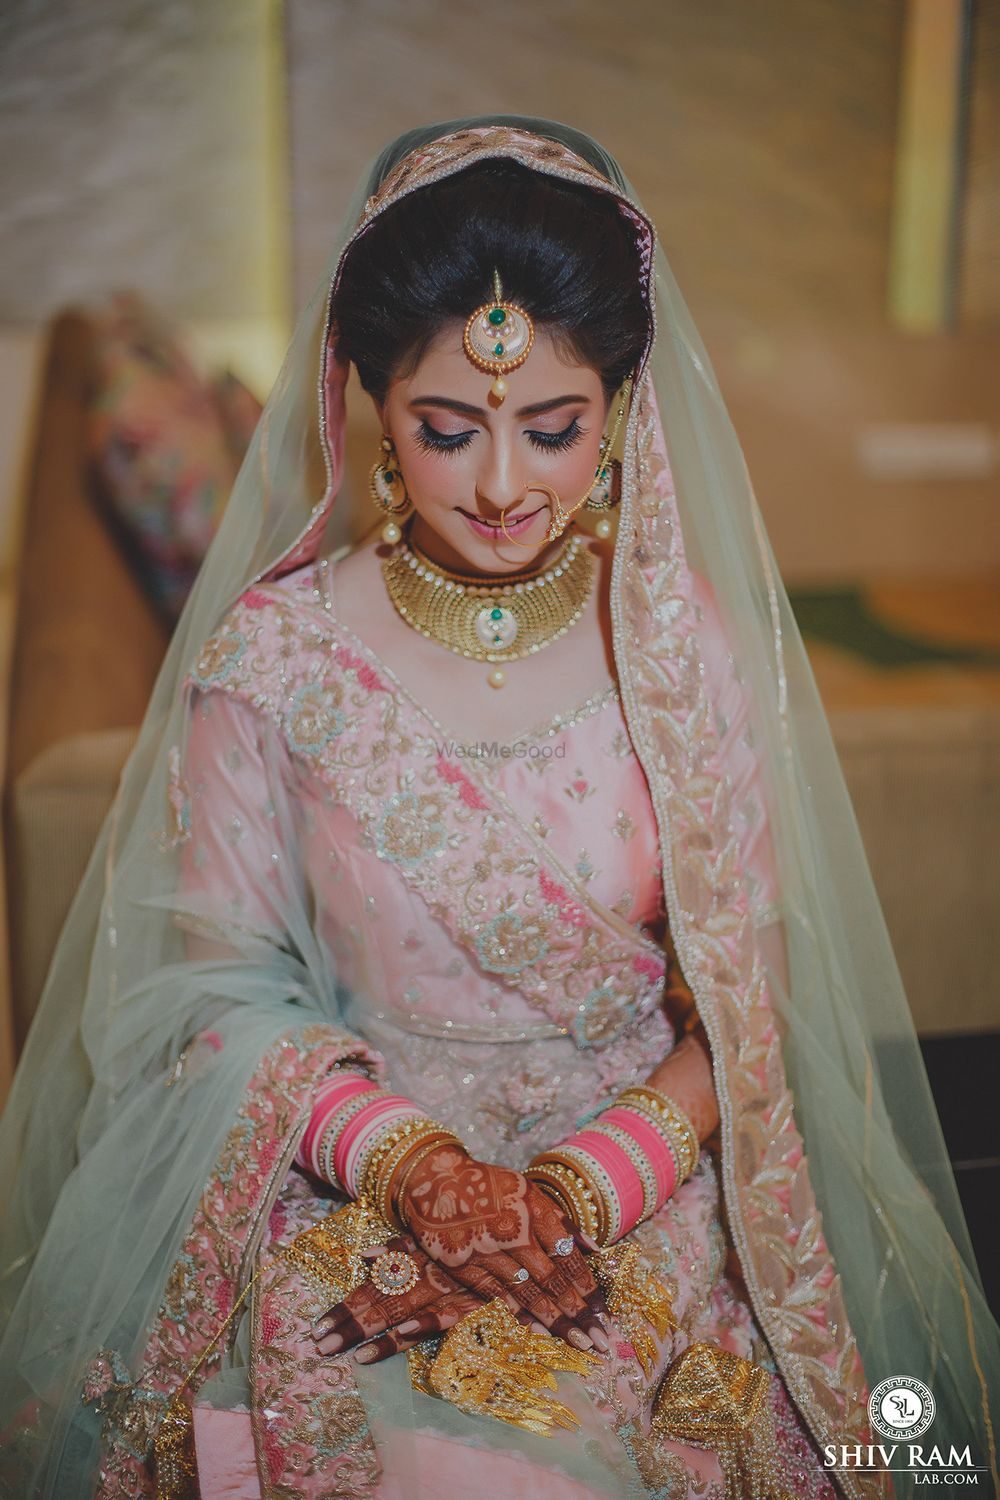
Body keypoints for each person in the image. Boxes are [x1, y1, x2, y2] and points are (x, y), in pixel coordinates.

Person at [0, 117, 997, 1500]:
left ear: (623, 410)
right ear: (373, 409)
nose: (505, 485)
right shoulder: (277, 659)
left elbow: (747, 989)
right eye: (449, 429)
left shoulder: (681, 647)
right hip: (357, 1171)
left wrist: (583, 1184)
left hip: (638, 1175)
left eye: (556, 428)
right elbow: (211, 994)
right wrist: (413, 1170)